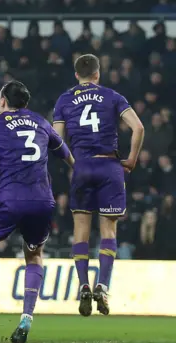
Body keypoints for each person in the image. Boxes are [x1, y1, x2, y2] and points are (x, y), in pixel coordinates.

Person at [0, 81, 74, 343]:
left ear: (2, 101)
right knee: (34, 255)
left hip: (9, 199)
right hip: (42, 200)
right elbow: (65, 153)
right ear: (26, 103)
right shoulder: (41, 122)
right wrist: (77, 172)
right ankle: (26, 318)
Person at [53, 54, 144, 316]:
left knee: (81, 229)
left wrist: (74, 163)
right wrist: (131, 160)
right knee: (108, 230)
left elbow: (56, 140)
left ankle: (83, 284)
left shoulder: (64, 99)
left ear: (76, 75)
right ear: (97, 74)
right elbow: (138, 128)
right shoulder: (113, 96)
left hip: (82, 166)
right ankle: (102, 285)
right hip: (109, 167)